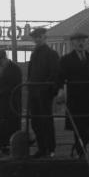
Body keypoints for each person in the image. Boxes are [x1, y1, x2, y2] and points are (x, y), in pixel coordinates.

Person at [57, 32, 89, 158]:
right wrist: (61, 91)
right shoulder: (66, 60)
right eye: (78, 41)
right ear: (72, 43)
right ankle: (80, 154)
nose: (81, 43)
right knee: (80, 130)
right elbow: (60, 78)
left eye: (83, 40)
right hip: (77, 101)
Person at [27, 27, 59, 158]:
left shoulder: (51, 54)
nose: (37, 39)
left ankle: (49, 149)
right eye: (35, 37)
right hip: (34, 93)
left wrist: (48, 90)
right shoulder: (34, 54)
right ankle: (41, 148)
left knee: (46, 121)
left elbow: (54, 74)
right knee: (36, 122)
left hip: (44, 94)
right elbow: (31, 74)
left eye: (39, 37)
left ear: (45, 37)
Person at [0, 49, 22, 153]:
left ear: (4, 58)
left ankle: (11, 149)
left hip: (11, 104)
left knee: (11, 127)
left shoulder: (15, 69)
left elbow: (15, 86)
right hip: (0, 105)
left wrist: (0, 90)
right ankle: (2, 148)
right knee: (0, 128)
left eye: (0, 62)